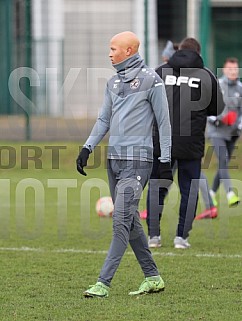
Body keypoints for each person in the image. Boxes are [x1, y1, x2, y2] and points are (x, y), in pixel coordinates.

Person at [76, 31, 171, 298]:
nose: (109, 53)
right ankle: (153, 277)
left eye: (113, 48)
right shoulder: (112, 82)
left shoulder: (152, 81)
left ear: (128, 51)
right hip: (114, 162)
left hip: (138, 162)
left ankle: (102, 283)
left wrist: (164, 159)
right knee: (130, 222)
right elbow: (103, 120)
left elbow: (164, 123)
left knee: (120, 221)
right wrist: (87, 147)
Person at [146, 37, 225, 248]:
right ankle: (181, 237)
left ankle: (154, 236)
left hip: (162, 141)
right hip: (191, 143)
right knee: (189, 190)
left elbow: (146, 103)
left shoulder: (160, 72)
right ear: (198, 53)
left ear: (178, 50)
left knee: (157, 186)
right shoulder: (207, 76)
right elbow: (217, 109)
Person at [196, 57, 242, 220]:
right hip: (216, 132)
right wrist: (217, 119)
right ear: (224, 70)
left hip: (233, 133)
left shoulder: (240, 88)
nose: (233, 72)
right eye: (230, 69)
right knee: (223, 160)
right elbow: (206, 108)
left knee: (223, 164)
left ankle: (211, 192)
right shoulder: (218, 86)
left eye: (235, 69)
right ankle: (230, 193)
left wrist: (239, 125)